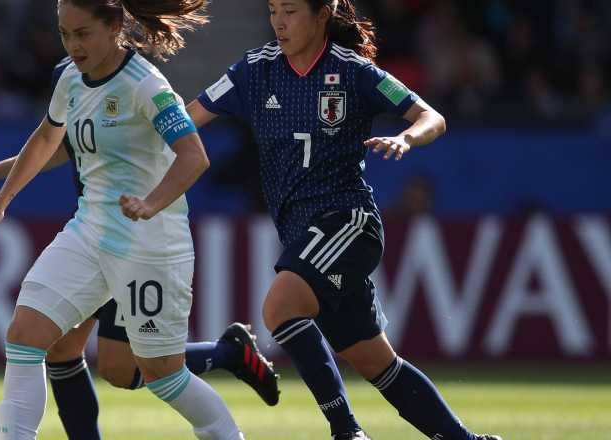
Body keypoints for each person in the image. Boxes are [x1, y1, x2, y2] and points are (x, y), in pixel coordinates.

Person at [182, 1, 504, 440]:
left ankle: (346, 431)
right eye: (273, 9)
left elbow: (432, 117)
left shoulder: (352, 72)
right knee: (377, 363)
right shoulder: (254, 71)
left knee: (279, 307)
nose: (278, 21)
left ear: (322, 14)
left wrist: (405, 139)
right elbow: (185, 118)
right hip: (304, 235)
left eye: (291, 10)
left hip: (349, 222)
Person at [0, 1, 247, 438]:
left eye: (83, 34)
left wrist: (152, 203)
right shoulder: (69, 78)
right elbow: (48, 138)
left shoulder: (147, 87)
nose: (73, 45)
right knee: (25, 336)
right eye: (65, 34)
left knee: (163, 375)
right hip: (90, 232)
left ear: (114, 26)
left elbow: (194, 157)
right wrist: (0, 200)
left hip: (149, 245)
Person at [0, 141, 279, 439]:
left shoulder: (130, 83)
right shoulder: (73, 78)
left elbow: (188, 150)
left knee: (128, 370)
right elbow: (58, 144)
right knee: (59, 347)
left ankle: (228, 354)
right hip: (93, 235)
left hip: (133, 239)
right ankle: (228, 354)